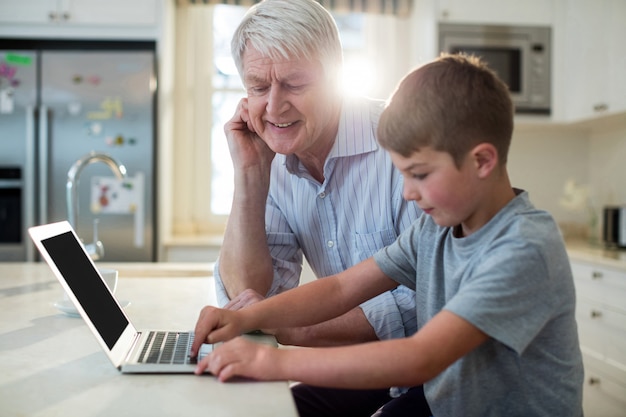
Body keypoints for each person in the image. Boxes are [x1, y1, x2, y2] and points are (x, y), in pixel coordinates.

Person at [191, 53, 585, 416]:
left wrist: (273, 362)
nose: (408, 193)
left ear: (482, 161)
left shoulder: (523, 248)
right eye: (402, 174)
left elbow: (421, 357)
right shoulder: (436, 229)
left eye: (420, 175)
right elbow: (342, 289)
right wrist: (246, 316)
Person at [214, 0, 428, 415]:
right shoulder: (271, 157)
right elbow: (251, 295)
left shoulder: (401, 145)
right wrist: (249, 177)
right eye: (258, 87)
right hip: (363, 367)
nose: (274, 107)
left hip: (439, 372)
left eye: (294, 84)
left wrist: (294, 328)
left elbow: (423, 304)